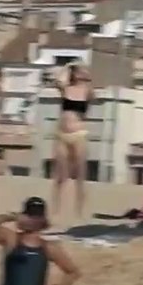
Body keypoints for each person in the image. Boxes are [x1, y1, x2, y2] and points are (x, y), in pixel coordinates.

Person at [52, 61, 92, 217]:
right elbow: (57, 81)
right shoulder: (65, 89)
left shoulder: (87, 91)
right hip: (62, 134)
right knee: (60, 176)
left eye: (79, 70)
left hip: (78, 134)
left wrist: (84, 73)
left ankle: (79, 212)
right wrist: (68, 64)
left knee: (80, 176)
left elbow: (90, 102)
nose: (77, 72)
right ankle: (56, 210)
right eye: (75, 71)